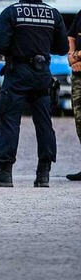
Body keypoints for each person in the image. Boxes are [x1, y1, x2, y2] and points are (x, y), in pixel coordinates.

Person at [0, 0, 68, 188]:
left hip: (18, 73)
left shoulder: (12, 12)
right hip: (42, 75)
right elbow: (61, 47)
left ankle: (5, 173)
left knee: (10, 120)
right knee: (44, 123)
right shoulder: (53, 14)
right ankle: (43, 174)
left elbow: (0, 45)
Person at [66, 10, 81, 181]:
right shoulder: (80, 14)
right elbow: (71, 37)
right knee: (79, 121)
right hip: (78, 76)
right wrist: (72, 57)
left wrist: (76, 56)